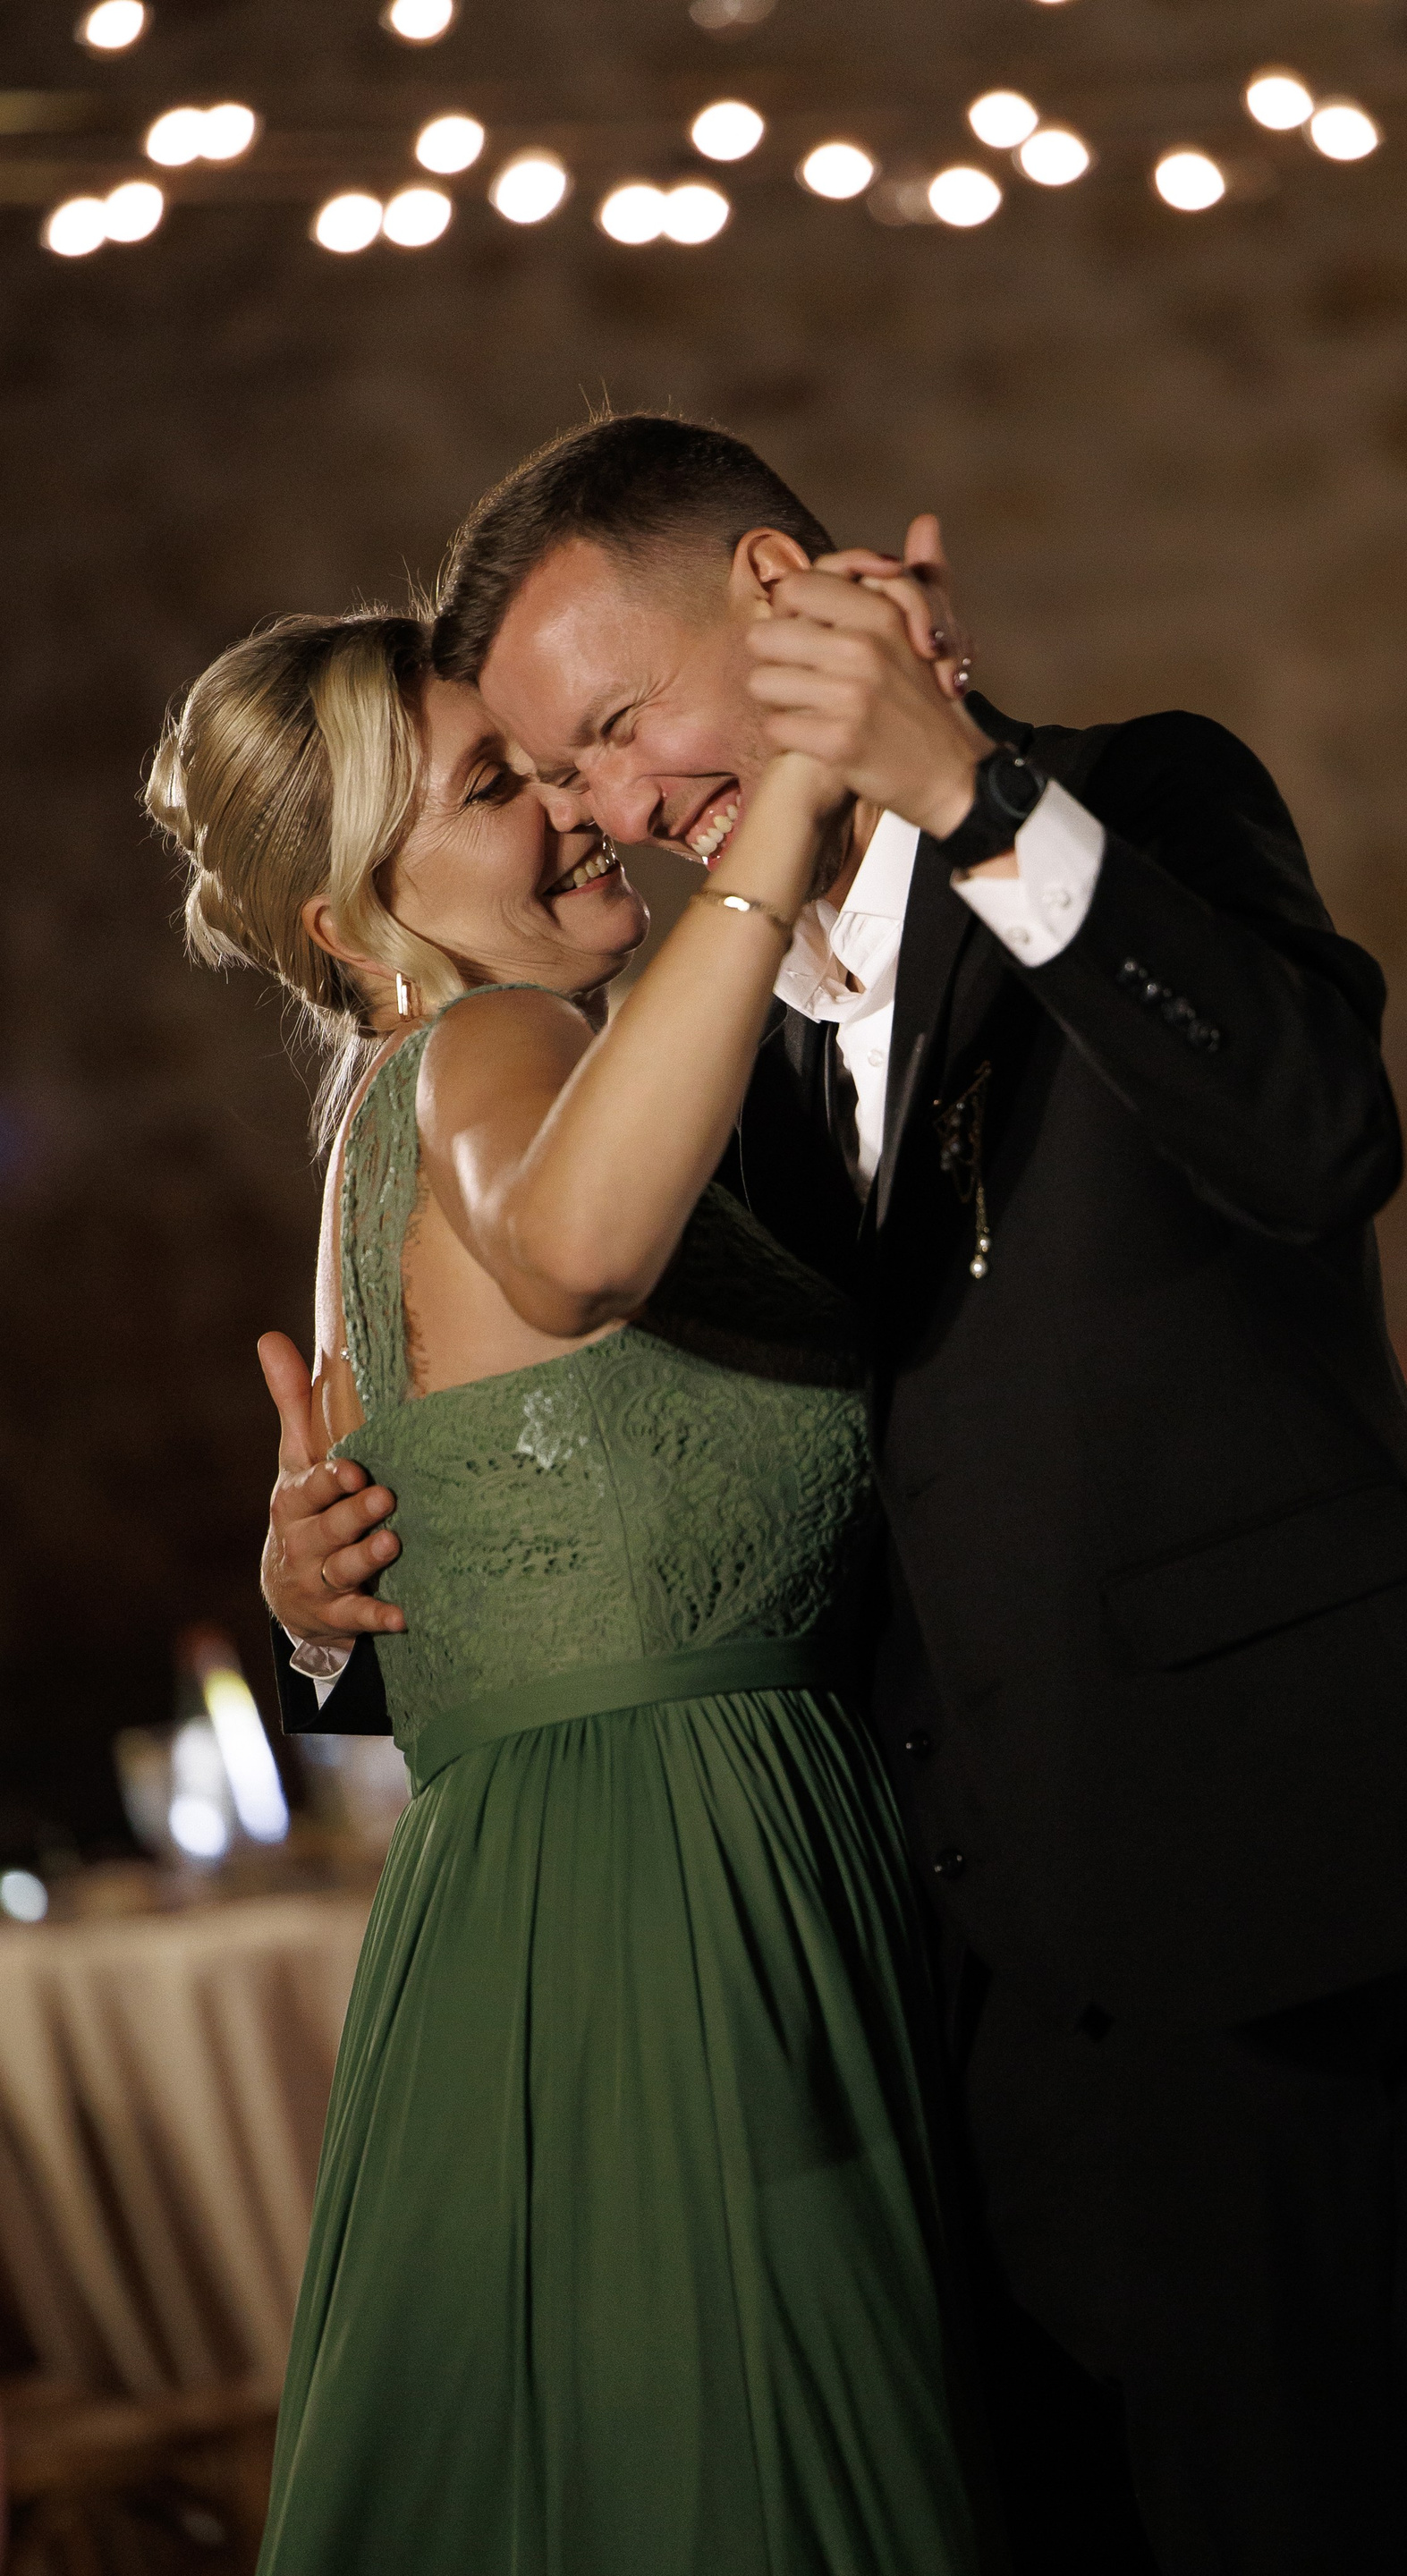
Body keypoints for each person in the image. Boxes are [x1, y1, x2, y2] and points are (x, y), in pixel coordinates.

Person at [265, 416, 1407, 2574]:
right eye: (546, 778)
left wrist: (975, 798)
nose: (608, 809)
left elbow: (1316, 1134)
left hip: (1263, 1927)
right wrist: (334, 1602)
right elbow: (644, 1494)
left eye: (615, 728)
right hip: (931, 2009)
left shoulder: (1140, 802)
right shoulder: (715, 1048)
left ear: (773, 589)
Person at [148, 610, 1000, 2574]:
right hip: (678, 1893)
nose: (570, 811)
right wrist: (789, 801)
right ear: (351, 922)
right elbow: (582, 1251)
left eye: (544, 765)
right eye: (491, 789)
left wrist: (311, 1602)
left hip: (550, 1890)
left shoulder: (386, 1126)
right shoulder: (493, 1048)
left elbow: (444, 1532)